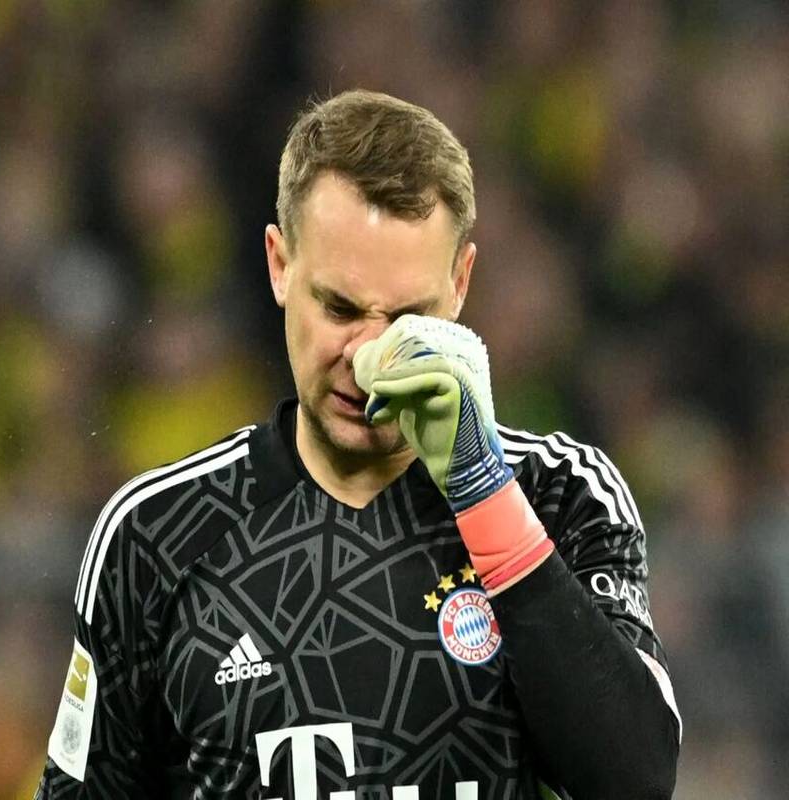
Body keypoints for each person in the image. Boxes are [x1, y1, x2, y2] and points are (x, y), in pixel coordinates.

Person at [35, 90, 681, 799]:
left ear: (460, 285)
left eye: (408, 316)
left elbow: (636, 781)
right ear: (280, 265)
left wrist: (481, 487)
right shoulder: (157, 534)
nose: (369, 359)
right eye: (340, 308)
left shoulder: (561, 495)